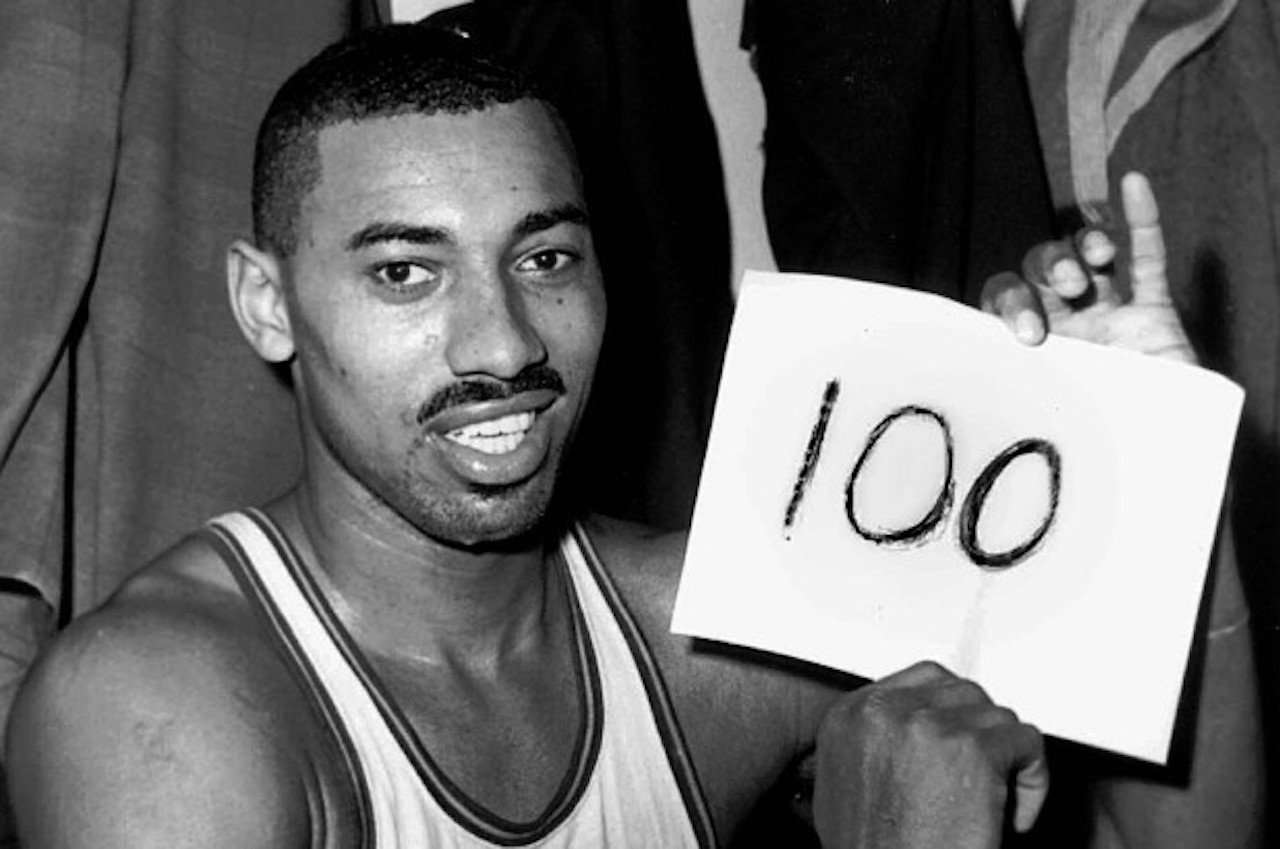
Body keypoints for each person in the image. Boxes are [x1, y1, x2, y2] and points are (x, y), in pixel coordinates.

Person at [4, 23, 1259, 849]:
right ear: (266, 303)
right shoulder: (161, 711)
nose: (500, 345)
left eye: (544, 257)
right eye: (404, 274)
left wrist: (1156, 490)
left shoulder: (712, 622)